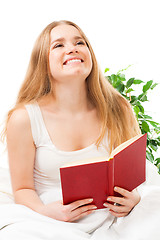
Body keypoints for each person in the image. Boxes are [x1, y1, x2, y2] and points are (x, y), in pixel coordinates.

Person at [0, 20, 160, 240]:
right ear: (42, 62)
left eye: (80, 42)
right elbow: (22, 190)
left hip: (111, 217)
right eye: (58, 45)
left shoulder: (118, 107)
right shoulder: (24, 118)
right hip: (51, 219)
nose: (72, 48)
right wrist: (48, 212)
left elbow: (132, 175)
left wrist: (132, 200)